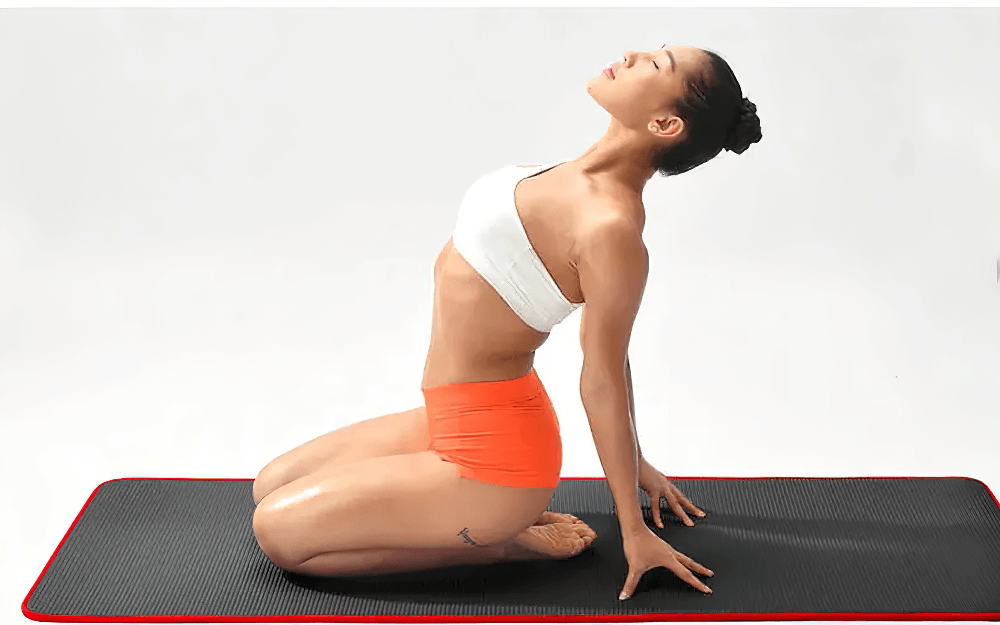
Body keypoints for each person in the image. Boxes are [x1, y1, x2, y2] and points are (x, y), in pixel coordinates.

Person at [250, 44, 761, 600]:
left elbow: (604, 374)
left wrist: (633, 530)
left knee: (278, 534)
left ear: (665, 123)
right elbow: (617, 364)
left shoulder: (611, 229)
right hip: (450, 415)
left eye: (656, 65)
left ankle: (501, 539)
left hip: (496, 461)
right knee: (269, 486)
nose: (634, 54)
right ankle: (484, 520)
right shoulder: (567, 171)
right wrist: (638, 460)